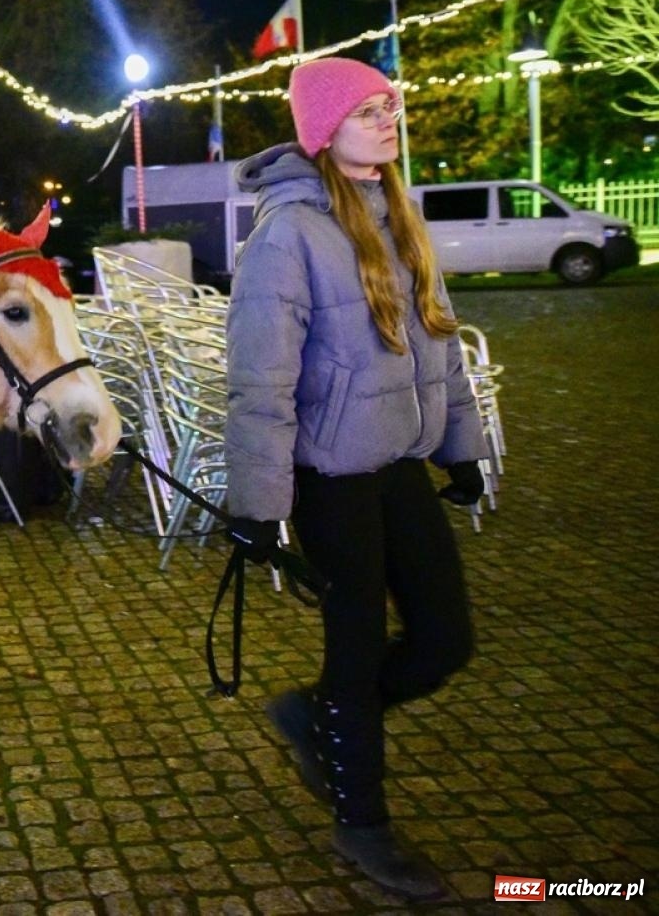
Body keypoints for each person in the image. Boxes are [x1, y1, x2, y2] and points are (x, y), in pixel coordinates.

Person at [223, 58, 487, 901]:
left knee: (445, 638)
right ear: (322, 130)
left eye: (391, 107)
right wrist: (259, 507)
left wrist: (461, 446)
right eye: (369, 110)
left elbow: (440, 346)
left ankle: (320, 719)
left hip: (400, 464)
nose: (389, 120)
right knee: (358, 647)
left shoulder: (399, 216)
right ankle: (363, 823)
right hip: (330, 476)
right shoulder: (287, 233)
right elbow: (258, 381)